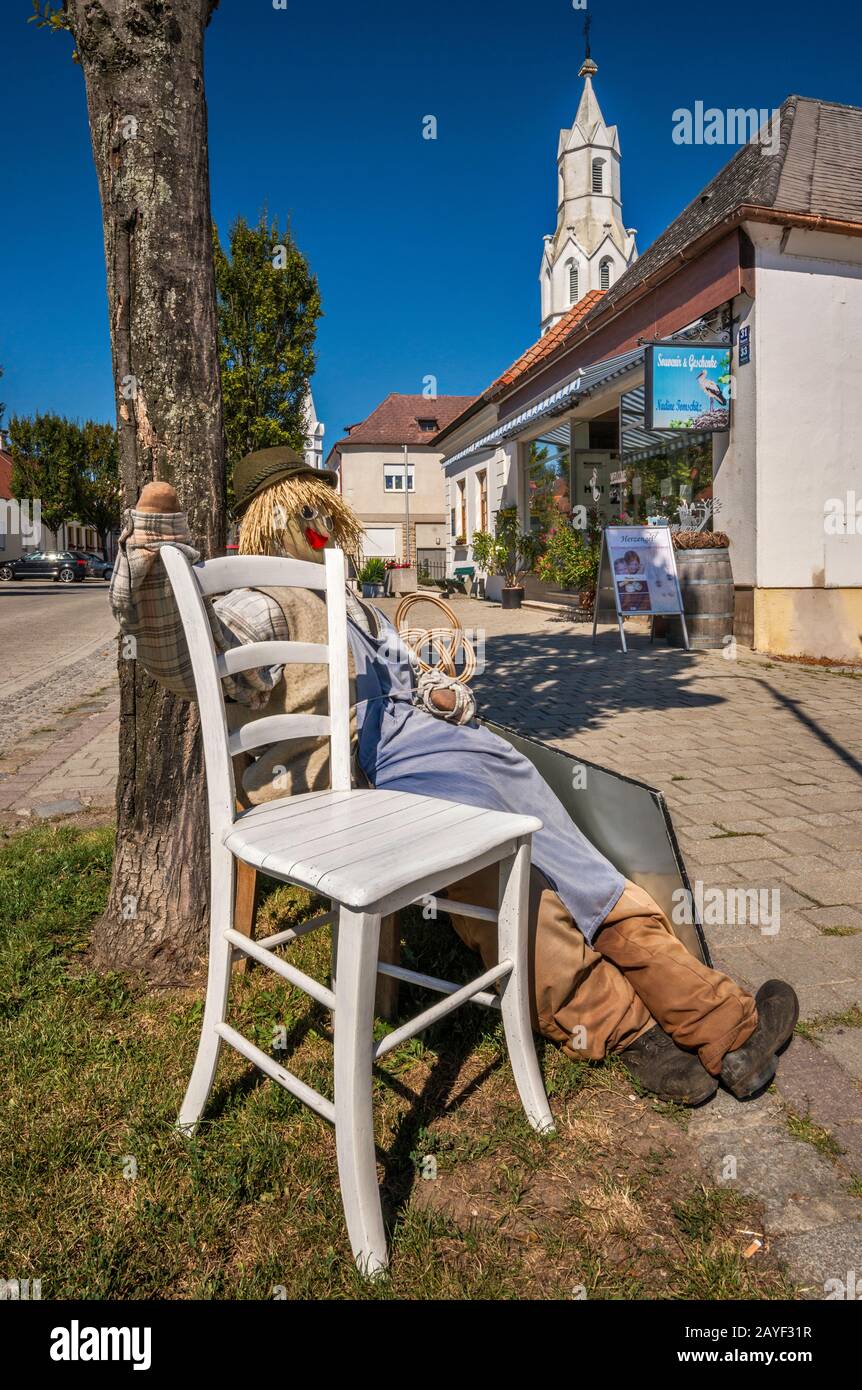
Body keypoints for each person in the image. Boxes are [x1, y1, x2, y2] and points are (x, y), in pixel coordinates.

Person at [111, 446, 799, 1106]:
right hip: (374, 778)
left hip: (445, 748)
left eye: (327, 516)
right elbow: (182, 645)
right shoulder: (265, 597)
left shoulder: (350, 599)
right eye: (309, 516)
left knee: (574, 859)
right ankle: (632, 1030)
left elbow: (409, 674)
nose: (324, 528)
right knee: (507, 870)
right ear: (277, 518)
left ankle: (720, 1025)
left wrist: (439, 692)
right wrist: (152, 550)